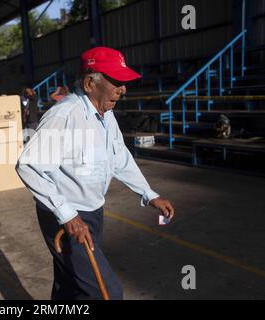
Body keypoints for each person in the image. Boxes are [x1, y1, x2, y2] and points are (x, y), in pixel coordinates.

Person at [16, 47, 175, 300]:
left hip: (93, 212)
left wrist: (149, 194)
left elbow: (119, 156)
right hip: (65, 217)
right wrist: (67, 215)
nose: (123, 90)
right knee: (106, 293)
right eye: (117, 82)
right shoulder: (64, 115)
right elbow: (28, 165)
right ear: (90, 83)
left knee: (69, 285)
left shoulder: (106, 114)